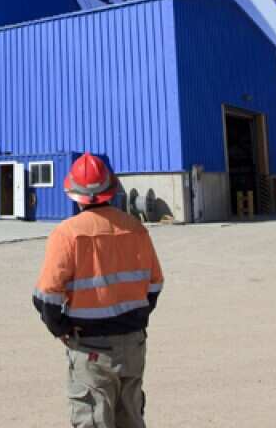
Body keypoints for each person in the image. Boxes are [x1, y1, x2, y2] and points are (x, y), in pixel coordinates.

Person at [33, 153, 164, 428]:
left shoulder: (66, 234)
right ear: (111, 189)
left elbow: (46, 296)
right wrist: (133, 319)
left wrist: (61, 329)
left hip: (90, 347)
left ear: (74, 193)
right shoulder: (136, 229)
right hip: (132, 343)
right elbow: (154, 286)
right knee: (131, 415)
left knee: (93, 418)